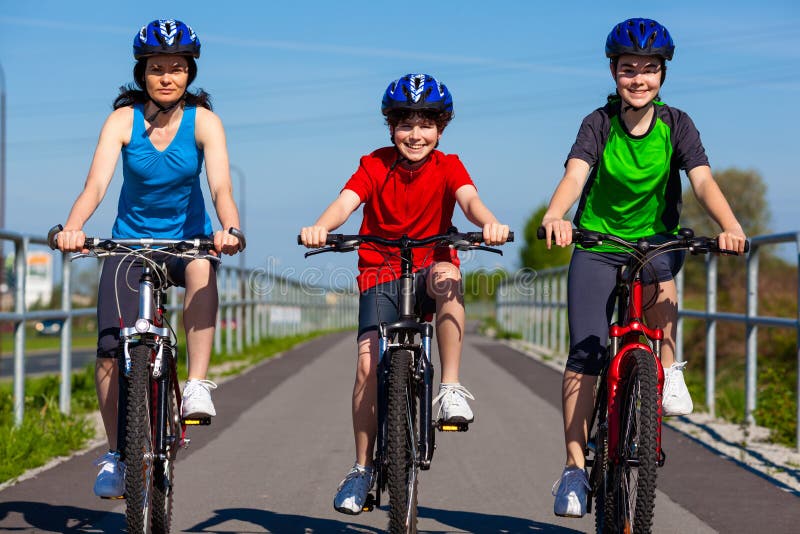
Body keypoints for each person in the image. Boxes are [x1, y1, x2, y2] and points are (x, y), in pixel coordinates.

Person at [540, 18, 747, 518]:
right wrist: (556, 215)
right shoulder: (598, 123)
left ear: (663, 75)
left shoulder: (677, 124)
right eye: (629, 69)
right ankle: (572, 468)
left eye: (649, 70)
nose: (639, 79)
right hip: (597, 242)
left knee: (663, 289)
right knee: (587, 351)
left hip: (654, 242)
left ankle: (668, 367)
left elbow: (702, 182)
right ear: (613, 72)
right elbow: (575, 175)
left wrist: (730, 225)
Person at [299, 73, 510, 514]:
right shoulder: (374, 164)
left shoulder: (449, 165)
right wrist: (322, 226)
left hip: (431, 264)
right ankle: (361, 468)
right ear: (391, 127)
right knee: (365, 367)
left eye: (426, 124)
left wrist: (489, 220)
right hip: (380, 269)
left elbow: (469, 201)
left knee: (450, 277)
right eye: (405, 124)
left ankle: (450, 386)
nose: (416, 135)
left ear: (441, 128)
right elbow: (347, 201)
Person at [55, 19, 243, 498]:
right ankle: (117, 454)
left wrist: (230, 229)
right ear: (142, 73)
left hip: (188, 243)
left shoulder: (204, 121)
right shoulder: (122, 121)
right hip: (129, 245)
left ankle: (198, 384)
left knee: (202, 269)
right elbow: (95, 186)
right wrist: (73, 227)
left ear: (189, 73)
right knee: (109, 349)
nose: (166, 77)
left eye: (176, 69)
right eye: (156, 68)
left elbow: (220, 185)